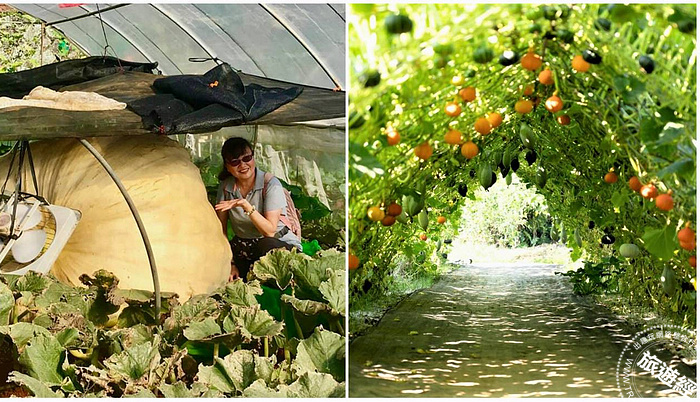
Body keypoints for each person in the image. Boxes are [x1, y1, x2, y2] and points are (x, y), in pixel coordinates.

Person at [215, 137, 301, 281]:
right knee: (223, 270)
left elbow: (269, 231)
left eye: (247, 158)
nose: (243, 165)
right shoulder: (225, 187)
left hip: (276, 243)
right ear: (227, 166)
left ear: (253, 157)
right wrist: (229, 263)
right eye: (235, 162)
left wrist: (246, 205)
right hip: (245, 247)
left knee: (266, 245)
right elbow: (220, 230)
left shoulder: (271, 184)